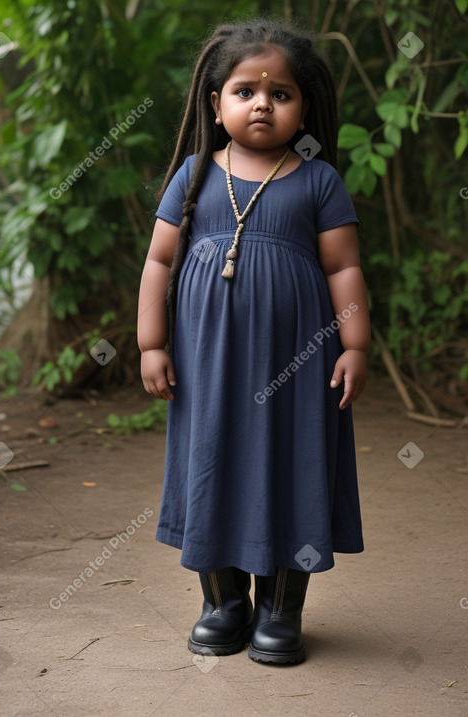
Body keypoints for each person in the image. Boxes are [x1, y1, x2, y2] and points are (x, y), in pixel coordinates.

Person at [137, 18, 370, 665]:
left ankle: (279, 609)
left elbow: (344, 268)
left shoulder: (316, 181)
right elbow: (158, 263)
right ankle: (223, 603)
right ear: (216, 104)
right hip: (208, 365)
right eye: (244, 90)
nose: (262, 102)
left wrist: (355, 344)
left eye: (281, 94)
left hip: (299, 363)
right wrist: (151, 343)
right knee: (213, 461)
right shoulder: (193, 177)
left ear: (302, 108)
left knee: (293, 465)